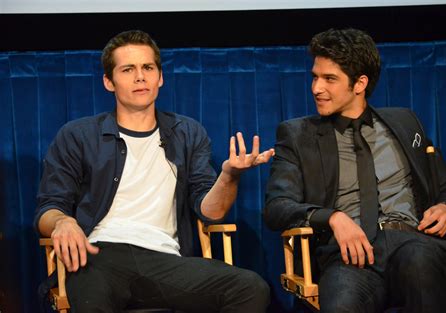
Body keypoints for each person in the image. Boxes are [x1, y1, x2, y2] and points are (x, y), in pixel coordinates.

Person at [34, 29, 273, 313]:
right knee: (89, 298)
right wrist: (63, 222)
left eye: (148, 67)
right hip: (100, 256)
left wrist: (229, 176)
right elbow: (49, 206)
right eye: (128, 69)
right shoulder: (78, 135)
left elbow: (211, 212)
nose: (140, 77)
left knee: (250, 288)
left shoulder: (187, 132)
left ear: (160, 77)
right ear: (109, 82)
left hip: (165, 260)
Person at [264, 28, 446, 313]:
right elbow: (277, 207)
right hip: (348, 259)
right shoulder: (298, 135)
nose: (316, 88)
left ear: (359, 84)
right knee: (342, 301)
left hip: (413, 243)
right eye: (315, 76)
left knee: (418, 263)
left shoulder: (405, 123)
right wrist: (331, 217)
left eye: (329, 79)